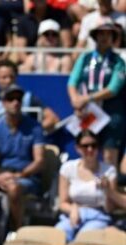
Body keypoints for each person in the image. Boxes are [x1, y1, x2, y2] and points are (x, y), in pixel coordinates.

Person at [0, 84, 46, 230]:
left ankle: (15, 230)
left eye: (19, 99)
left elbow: (40, 161)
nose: (15, 102)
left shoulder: (34, 127)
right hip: (4, 175)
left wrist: (19, 175)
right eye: (11, 99)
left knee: (14, 188)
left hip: (27, 178)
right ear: (3, 103)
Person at [68, 19, 126, 168]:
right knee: (87, 149)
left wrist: (87, 99)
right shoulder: (85, 58)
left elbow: (113, 88)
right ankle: (86, 181)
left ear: (113, 38)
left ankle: (109, 182)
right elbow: (72, 82)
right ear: (95, 36)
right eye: (101, 34)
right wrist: (75, 100)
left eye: (108, 34)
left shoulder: (118, 62)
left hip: (111, 113)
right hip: (89, 113)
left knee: (109, 157)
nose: (104, 38)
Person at [55, 130, 119, 240]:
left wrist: (107, 190)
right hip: (72, 214)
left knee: (84, 239)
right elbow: (62, 203)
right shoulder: (67, 168)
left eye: (94, 145)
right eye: (85, 146)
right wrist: (73, 209)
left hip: (98, 216)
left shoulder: (109, 171)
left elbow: (110, 209)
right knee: (59, 235)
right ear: (77, 148)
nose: (90, 149)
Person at [0, 59, 60, 132]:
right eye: (4, 77)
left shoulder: (27, 98)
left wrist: (32, 132)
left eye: (11, 77)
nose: (8, 81)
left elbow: (52, 118)